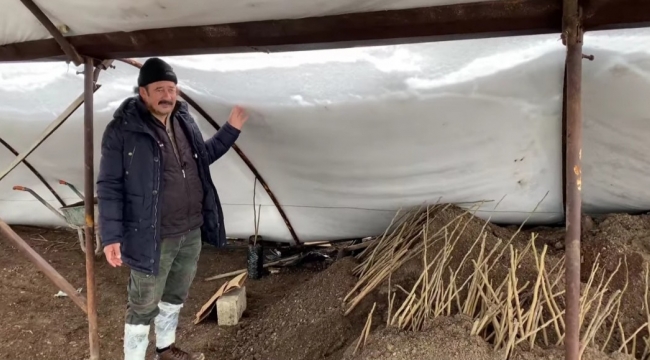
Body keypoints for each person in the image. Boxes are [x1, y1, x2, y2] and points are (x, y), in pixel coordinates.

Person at [97, 57, 248, 360]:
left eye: (172, 89)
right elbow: (109, 185)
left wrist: (231, 129)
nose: (168, 96)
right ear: (143, 93)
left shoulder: (184, 120)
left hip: (189, 231)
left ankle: (165, 349)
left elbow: (202, 157)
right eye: (160, 89)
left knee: (175, 296)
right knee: (143, 302)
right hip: (152, 234)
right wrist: (111, 236)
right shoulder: (122, 131)